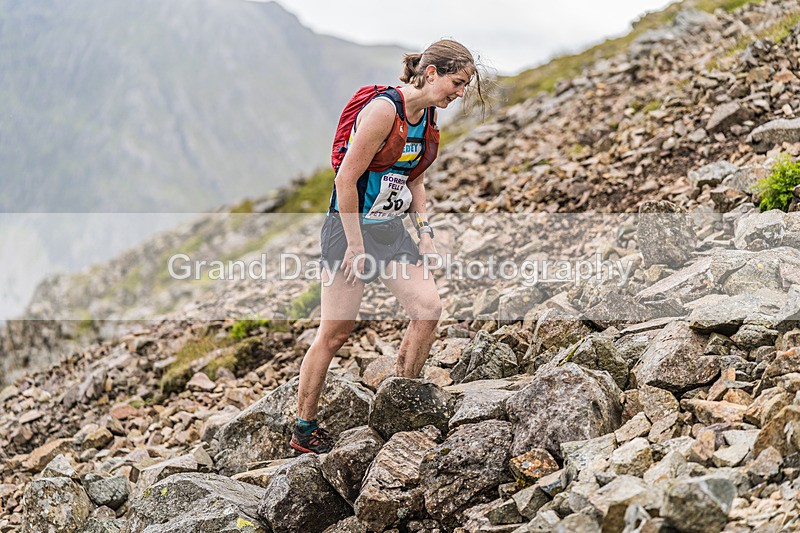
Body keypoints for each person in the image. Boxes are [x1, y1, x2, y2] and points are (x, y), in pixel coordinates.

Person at [290, 39, 483, 454]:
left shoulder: (427, 117)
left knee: (428, 309)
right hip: (348, 232)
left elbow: (416, 180)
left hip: (391, 231)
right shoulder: (383, 111)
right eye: (457, 82)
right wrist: (355, 246)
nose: (460, 92)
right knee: (335, 333)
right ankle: (304, 429)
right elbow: (345, 180)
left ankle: (401, 403)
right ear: (430, 73)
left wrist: (425, 233)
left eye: (465, 86)